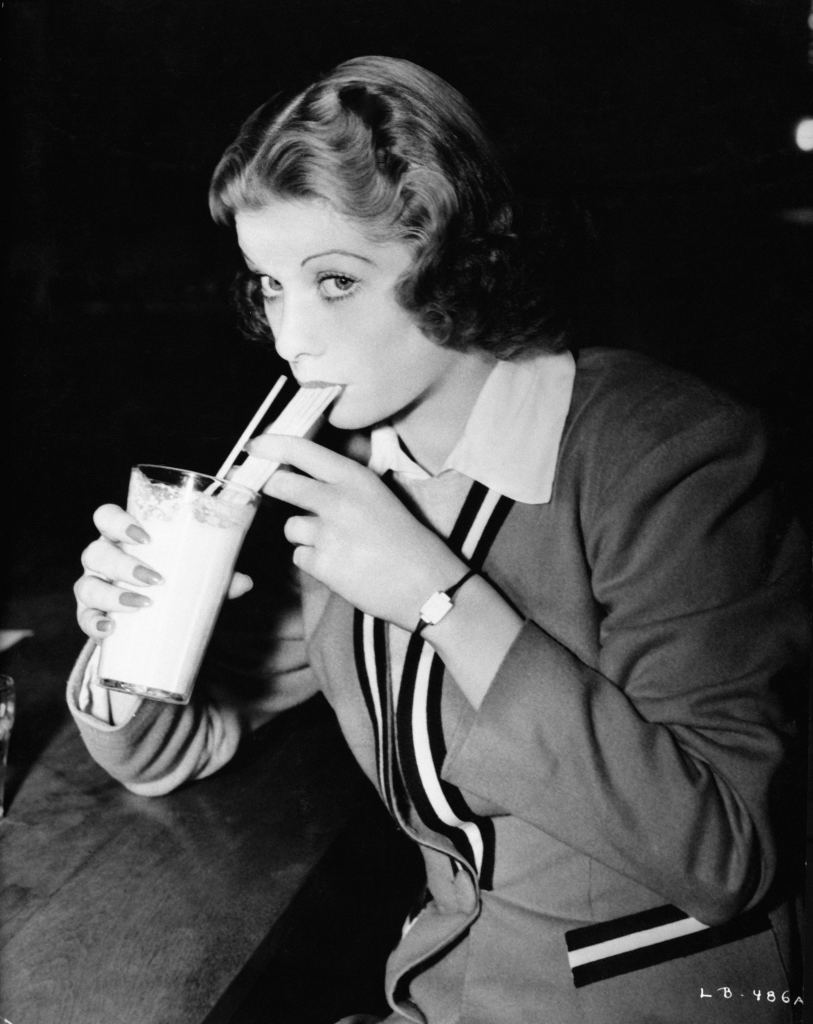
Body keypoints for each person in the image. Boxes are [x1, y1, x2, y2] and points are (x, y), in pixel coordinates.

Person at [69, 56, 809, 1024]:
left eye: (335, 281)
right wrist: (130, 637)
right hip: (442, 990)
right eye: (270, 287)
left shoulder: (666, 453)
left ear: (459, 260)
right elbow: (172, 750)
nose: (293, 337)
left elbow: (726, 852)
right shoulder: (355, 477)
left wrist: (443, 600)